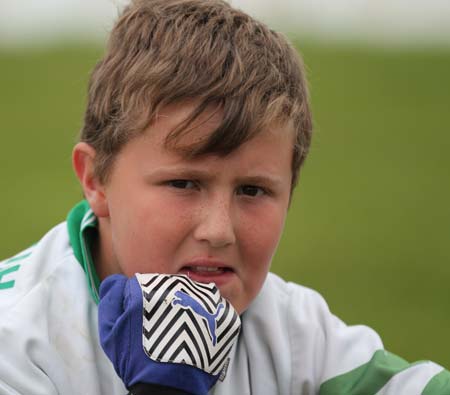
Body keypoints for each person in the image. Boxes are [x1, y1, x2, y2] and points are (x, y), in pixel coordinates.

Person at [0, 0, 448, 394]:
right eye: (183, 184)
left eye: (253, 190)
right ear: (96, 180)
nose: (218, 230)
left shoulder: (293, 332)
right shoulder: (16, 341)